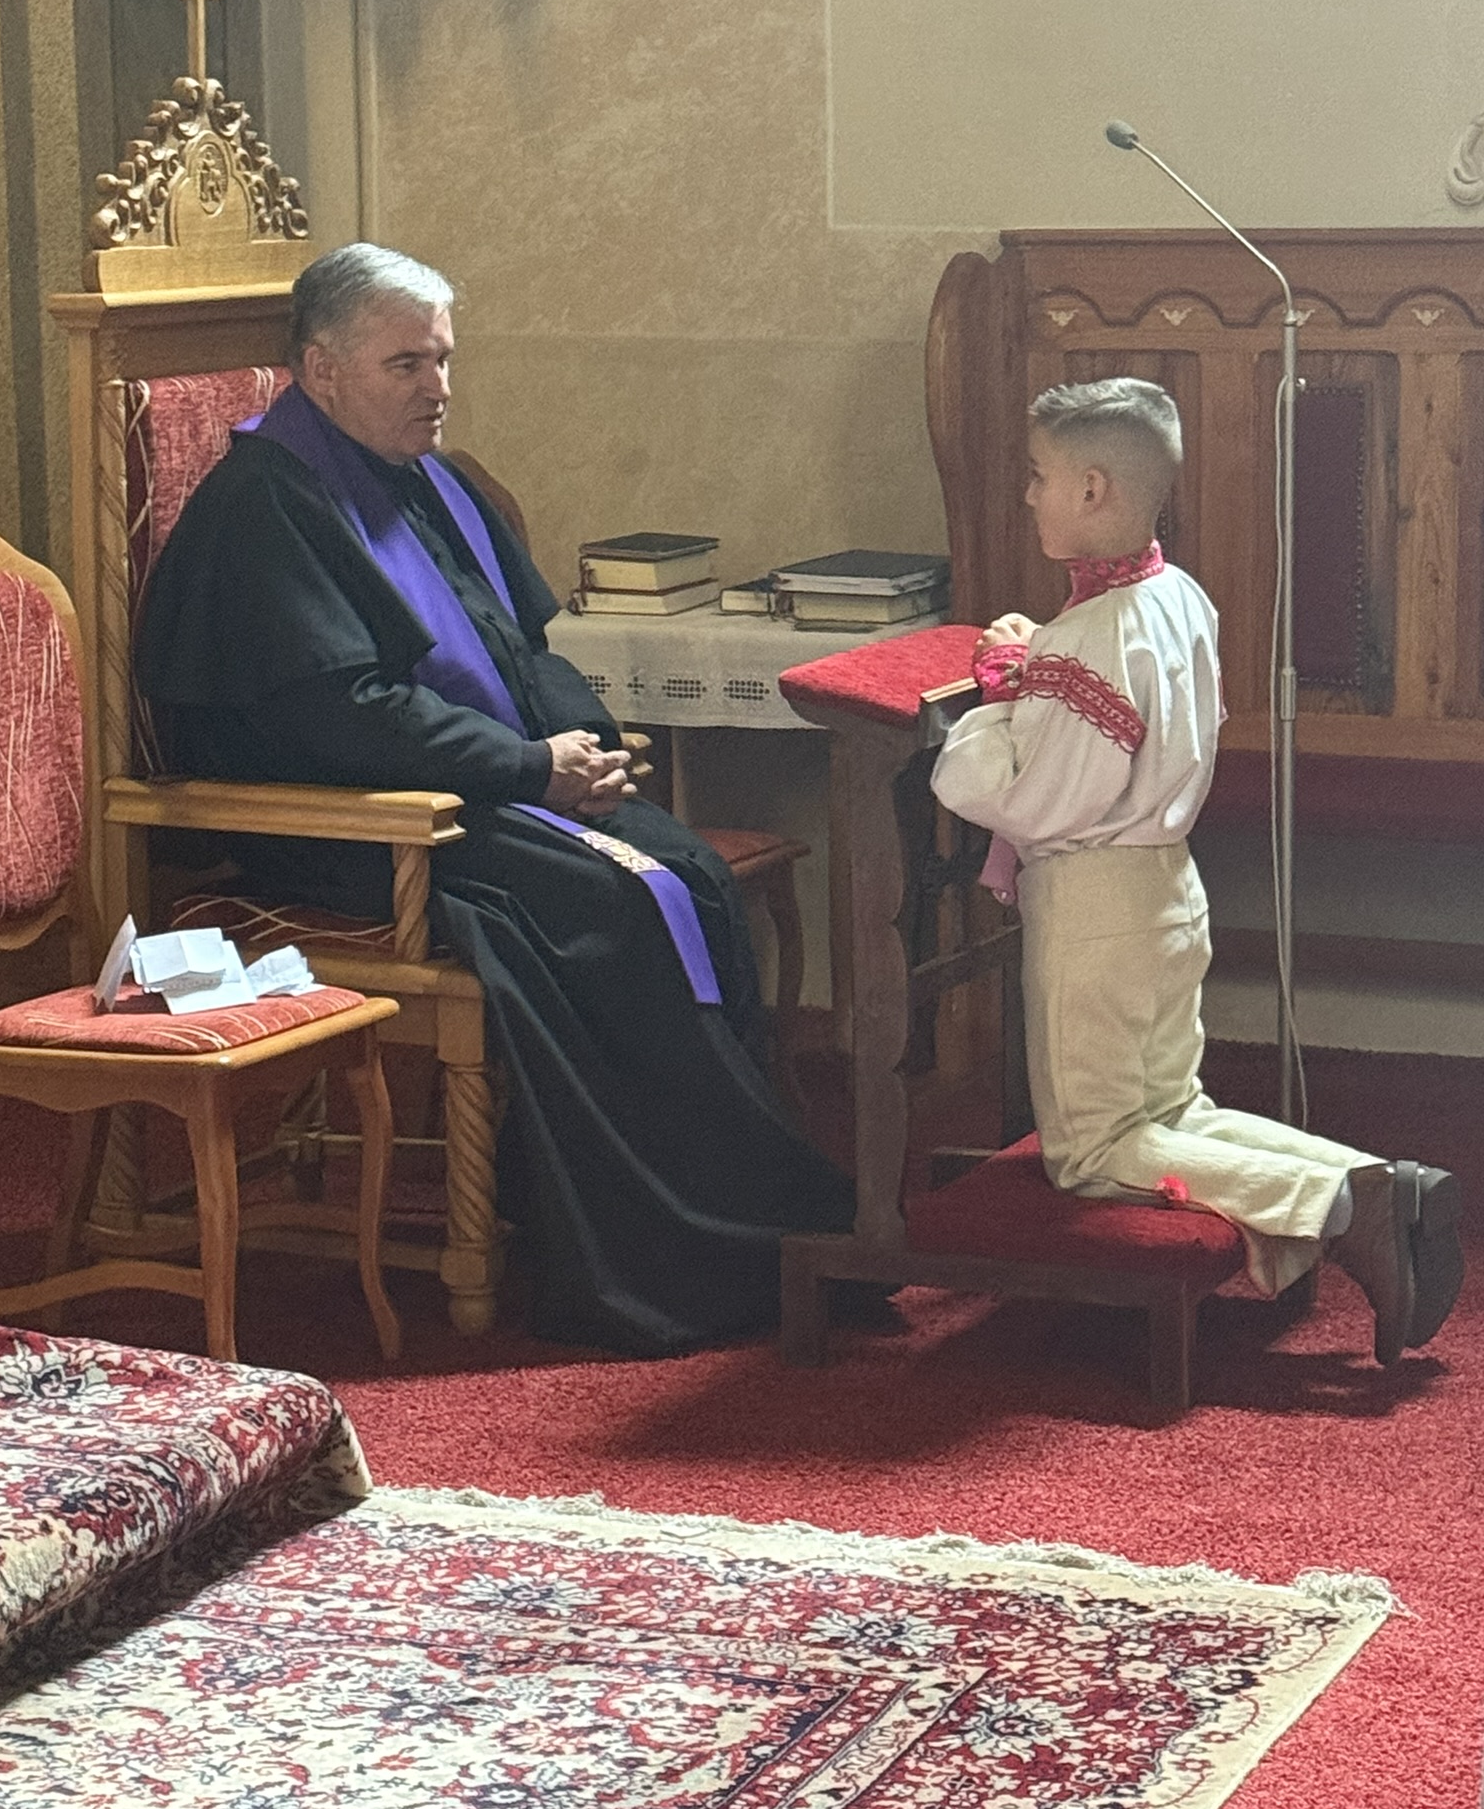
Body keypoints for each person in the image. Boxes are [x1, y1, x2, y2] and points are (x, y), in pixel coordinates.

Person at [136, 242, 852, 1356]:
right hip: (339, 822)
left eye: (443, 360)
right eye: (406, 364)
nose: (437, 388)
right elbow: (344, 715)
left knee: (690, 872)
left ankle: (744, 1215)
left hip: (462, 788)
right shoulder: (267, 504)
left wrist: (585, 746)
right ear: (321, 370)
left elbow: (521, 649)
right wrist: (528, 768)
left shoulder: (427, 480)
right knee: (608, 905)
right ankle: (660, 1252)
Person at [930, 377, 1463, 1366]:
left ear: (1093, 488)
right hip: (1169, 887)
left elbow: (1023, 795)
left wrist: (1000, 697)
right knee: (1172, 1109)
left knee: (1093, 1148)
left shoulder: (1086, 639)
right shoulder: (1178, 595)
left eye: (1039, 476)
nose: (1029, 494)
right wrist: (1042, 662)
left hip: (1093, 902)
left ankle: (1343, 1203)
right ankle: (1382, 1179)